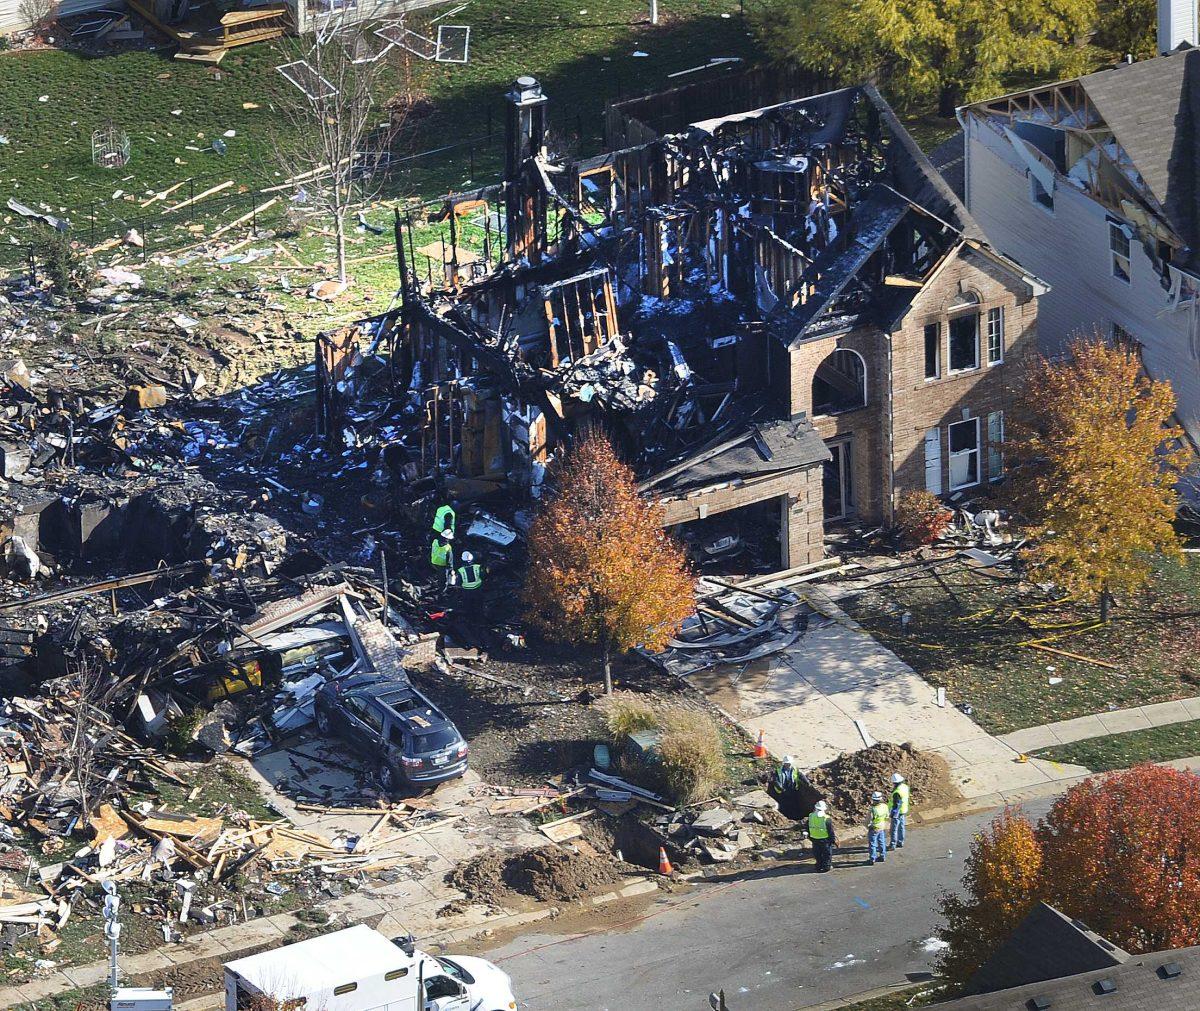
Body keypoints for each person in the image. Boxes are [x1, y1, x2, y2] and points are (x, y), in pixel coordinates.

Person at [807, 800, 837, 872]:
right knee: (827, 854)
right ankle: (826, 867)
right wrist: (833, 839)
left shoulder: (811, 816)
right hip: (825, 840)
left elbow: (808, 827)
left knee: (818, 853)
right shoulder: (826, 818)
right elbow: (830, 831)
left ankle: (819, 866)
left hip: (814, 838)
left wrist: (810, 836)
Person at [867, 791, 889, 865]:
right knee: (881, 842)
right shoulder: (885, 806)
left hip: (874, 828)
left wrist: (868, 826)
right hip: (882, 827)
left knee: (873, 844)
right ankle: (883, 856)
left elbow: (868, 820)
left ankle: (872, 859)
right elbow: (887, 816)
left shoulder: (872, 809)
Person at [890, 772, 910, 850]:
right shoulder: (905, 787)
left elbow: (896, 805)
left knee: (894, 829)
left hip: (897, 812)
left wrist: (893, 814)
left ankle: (893, 844)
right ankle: (900, 842)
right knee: (901, 827)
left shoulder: (897, 792)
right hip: (904, 810)